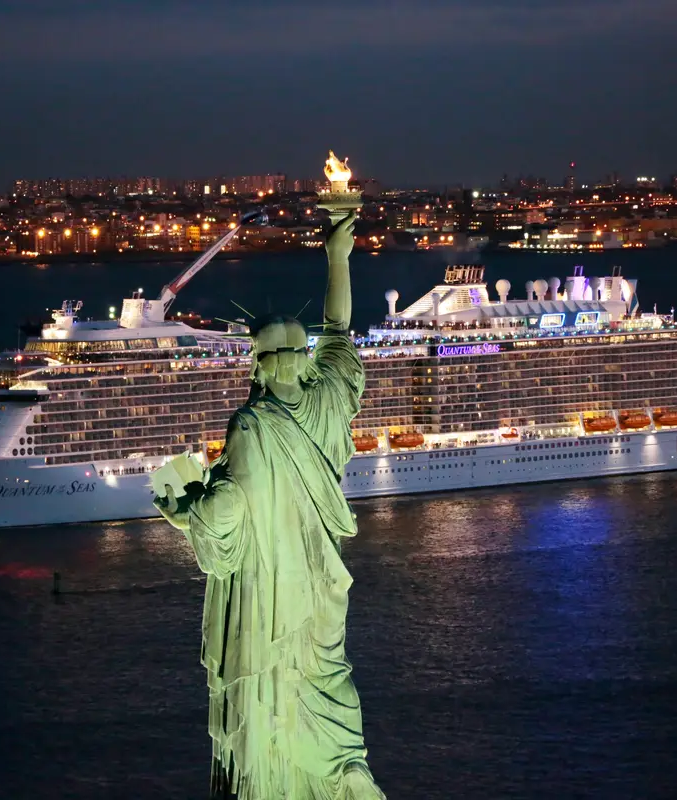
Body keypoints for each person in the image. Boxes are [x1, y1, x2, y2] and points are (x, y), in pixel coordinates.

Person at [155, 213, 385, 799]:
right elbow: (340, 329)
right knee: (326, 678)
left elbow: (225, 515)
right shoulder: (329, 398)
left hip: (269, 595)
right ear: (304, 357)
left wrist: (185, 512)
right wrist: (338, 257)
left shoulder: (252, 424)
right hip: (320, 586)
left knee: (271, 693)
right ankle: (341, 779)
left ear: (257, 364)